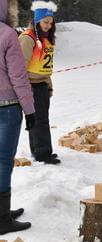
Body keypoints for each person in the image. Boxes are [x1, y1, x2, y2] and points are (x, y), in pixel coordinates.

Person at [0, 0, 35, 235]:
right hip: (8, 107)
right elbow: (18, 76)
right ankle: (2, 218)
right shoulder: (7, 34)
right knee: (3, 162)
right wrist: (30, 110)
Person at [18, 0, 60, 164]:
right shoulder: (28, 39)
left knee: (40, 119)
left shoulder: (46, 39)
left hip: (42, 85)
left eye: (51, 22)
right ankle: (42, 153)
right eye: (45, 22)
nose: (49, 25)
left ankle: (39, 151)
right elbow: (19, 67)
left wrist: (49, 85)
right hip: (30, 86)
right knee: (39, 120)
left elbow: (45, 67)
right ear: (37, 20)